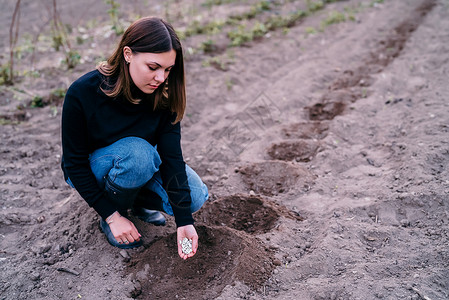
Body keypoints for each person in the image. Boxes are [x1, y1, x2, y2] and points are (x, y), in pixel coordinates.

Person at [61, 16, 208, 260]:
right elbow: (73, 164)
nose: (161, 78)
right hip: (93, 169)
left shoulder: (164, 94)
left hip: (136, 164)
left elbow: (172, 158)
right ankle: (116, 212)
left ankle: (139, 203)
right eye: (153, 67)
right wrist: (112, 215)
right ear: (128, 54)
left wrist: (184, 222)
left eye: (167, 69)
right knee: (138, 152)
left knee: (195, 196)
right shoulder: (83, 92)